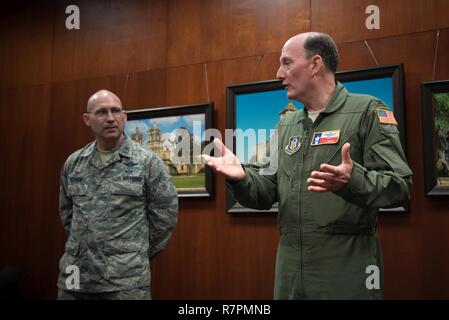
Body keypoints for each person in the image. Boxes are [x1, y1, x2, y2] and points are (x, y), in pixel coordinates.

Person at [204, 32, 412, 299]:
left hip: (346, 270)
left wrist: (353, 180)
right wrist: (242, 177)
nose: (279, 73)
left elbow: (400, 186)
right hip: (290, 273)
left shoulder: (368, 111)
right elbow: (266, 190)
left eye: (287, 63)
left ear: (315, 64)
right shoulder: (287, 125)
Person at [57, 90, 178, 300]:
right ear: (88, 119)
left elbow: (165, 218)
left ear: (124, 116)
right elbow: (67, 213)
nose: (110, 118)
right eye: (102, 112)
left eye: (116, 111)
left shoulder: (147, 162)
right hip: (75, 275)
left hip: (125, 281)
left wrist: (134, 254)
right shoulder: (74, 163)